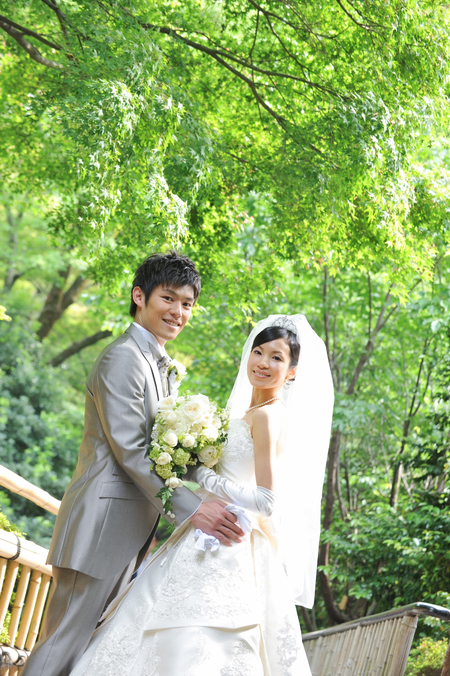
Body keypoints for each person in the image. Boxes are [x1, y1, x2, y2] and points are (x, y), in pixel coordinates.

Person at [68, 314, 334, 676]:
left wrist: (204, 477)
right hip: (206, 528)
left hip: (228, 537)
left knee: (199, 636)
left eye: (276, 357)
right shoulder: (248, 412)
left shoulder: (268, 416)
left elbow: (266, 502)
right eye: (258, 352)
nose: (263, 362)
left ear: (292, 372)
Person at [23, 251, 243, 676]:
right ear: (139, 296)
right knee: (63, 644)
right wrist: (193, 509)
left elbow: (164, 451)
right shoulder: (123, 356)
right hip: (101, 524)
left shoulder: (157, 362)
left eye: (187, 304)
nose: (178, 312)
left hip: (128, 529)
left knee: (85, 651)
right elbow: (130, 450)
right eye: (169, 298)